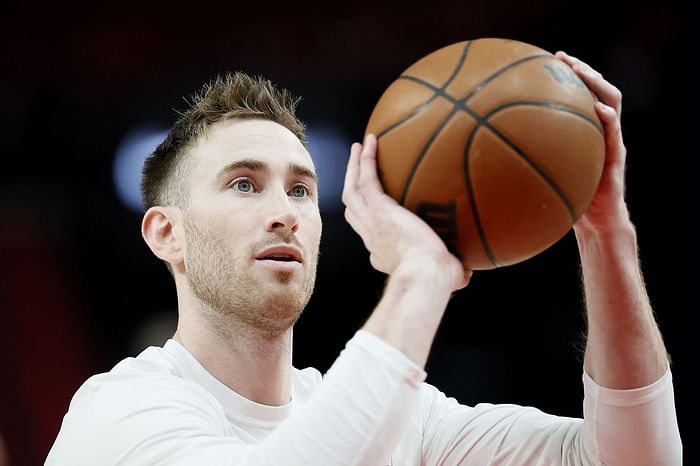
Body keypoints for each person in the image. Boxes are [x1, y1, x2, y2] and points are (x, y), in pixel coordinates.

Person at [46, 51, 682, 465]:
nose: (285, 211)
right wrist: (422, 272)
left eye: (301, 188)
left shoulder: (411, 422)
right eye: (244, 183)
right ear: (165, 234)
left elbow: (634, 459)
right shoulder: (120, 411)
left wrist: (605, 231)